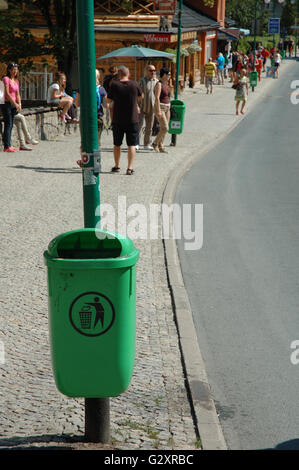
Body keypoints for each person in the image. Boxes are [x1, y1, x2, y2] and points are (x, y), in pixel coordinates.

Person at [107, 66, 142, 175]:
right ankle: (129, 168)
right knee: (131, 144)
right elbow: (141, 96)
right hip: (132, 119)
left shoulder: (115, 85)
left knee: (117, 144)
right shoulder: (135, 84)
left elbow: (108, 100)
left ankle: (117, 166)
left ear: (119, 75)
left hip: (118, 119)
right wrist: (134, 103)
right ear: (128, 74)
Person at [137, 64, 158, 150]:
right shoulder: (142, 81)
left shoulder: (156, 81)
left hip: (152, 107)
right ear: (146, 71)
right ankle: (136, 144)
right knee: (139, 126)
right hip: (142, 106)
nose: (153, 72)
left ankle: (146, 144)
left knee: (149, 127)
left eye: (154, 70)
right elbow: (137, 93)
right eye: (151, 70)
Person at [1, 63, 21, 152]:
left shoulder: (16, 80)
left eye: (16, 69)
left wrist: (19, 103)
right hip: (6, 103)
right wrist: (15, 104)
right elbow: (7, 93)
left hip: (13, 104)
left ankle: (9, 144)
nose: (15, 71)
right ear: (9, 70)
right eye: (13, 69)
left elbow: (17, 94)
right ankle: (6, 146)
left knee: (11, 124)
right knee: (8, 124)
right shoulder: (6, 79)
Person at [152, 67, 171, 154]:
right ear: (164, 75)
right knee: (165, 128)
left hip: (167, 107)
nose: (169, 76)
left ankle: (161, 145)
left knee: (164, 128)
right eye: (168, 74)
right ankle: (155, 143)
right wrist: (158, 110)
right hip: (161, 107)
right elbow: (157, 97)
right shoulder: (159, 84)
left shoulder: (166, 83)